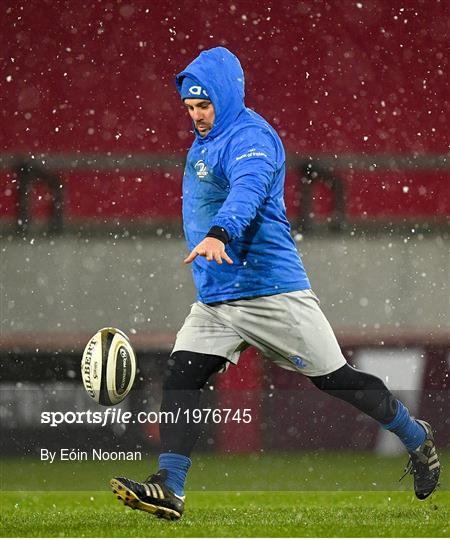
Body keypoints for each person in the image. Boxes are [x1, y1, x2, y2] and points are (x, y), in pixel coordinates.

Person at [110, 47, 440, 520]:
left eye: (204, 105)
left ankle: (416, 437)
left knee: (339, 381)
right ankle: (170, 486)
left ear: (225, 98)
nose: (197, 115)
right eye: (190, 107)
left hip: (272, 292)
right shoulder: (203, 141)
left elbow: (247, 190)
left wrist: (219, 233)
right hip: (217, 299)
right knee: (182, 373)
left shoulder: (252, 138)